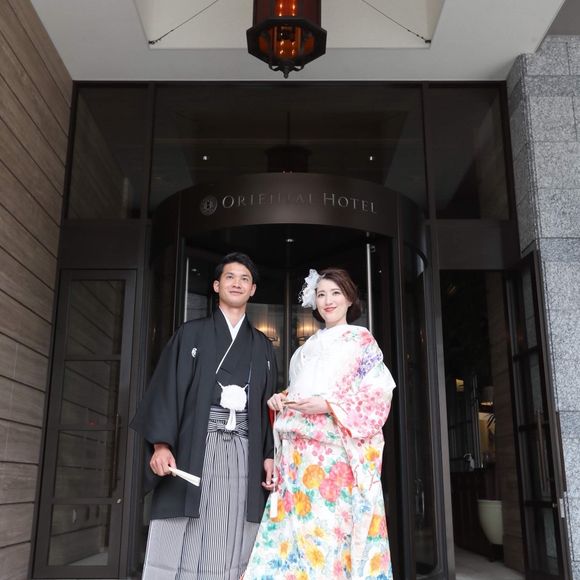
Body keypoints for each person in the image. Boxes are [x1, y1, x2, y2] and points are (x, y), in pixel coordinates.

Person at [131, 252, 277, 580]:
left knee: (230, 523)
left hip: (243, 450)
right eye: (230, 277)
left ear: (253, 289)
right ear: (216, 285)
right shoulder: (191, 334)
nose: (237, 283)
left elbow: (268, 408)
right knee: (182, 522)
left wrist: (269, 454)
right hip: (195, 445)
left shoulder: (262, 346)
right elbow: (167, 387)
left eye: (244, 279)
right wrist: (161, 445)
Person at [244, 267, 396, 580]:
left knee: (330, 535)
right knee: (298, 536)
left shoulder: (362, 341)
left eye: (335, 293)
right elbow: (299, 392)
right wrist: (281, 399)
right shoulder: (304, 350)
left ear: (349, 298)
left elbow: (378, 395)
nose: (328, 300)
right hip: (297, 460)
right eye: (322, 294)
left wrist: (327, 406)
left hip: (335, 458)